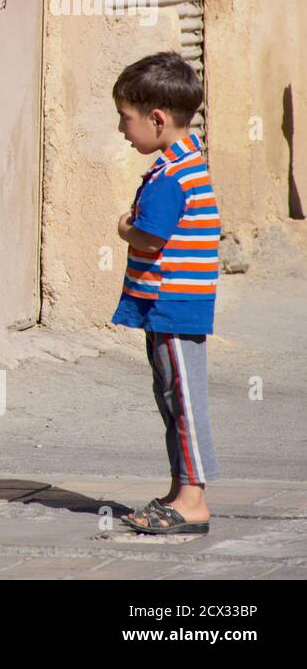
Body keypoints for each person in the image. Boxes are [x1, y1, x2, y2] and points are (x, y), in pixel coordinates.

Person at [112, 52, 221, 534]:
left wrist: (125, 228)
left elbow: (150, 237)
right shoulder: (185, 163)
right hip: (171, 307)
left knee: (183, 401)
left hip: (173, 308)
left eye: (126, 118)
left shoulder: (170, 176)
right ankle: (181, 489)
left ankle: (192, 498)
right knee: (173, 397)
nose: (121, 129)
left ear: (157, 119)